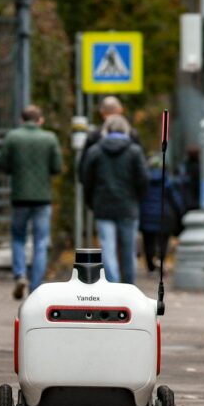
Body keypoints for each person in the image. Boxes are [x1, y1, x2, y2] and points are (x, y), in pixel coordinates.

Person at [0, 104, 63, 299]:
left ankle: (20, 274)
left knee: (18, 237)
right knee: (41, 242)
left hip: (20, 197)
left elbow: (4, 165)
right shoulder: (49, 138)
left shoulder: (12, 137)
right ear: (40, 120)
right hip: (42, 197)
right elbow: (57, 167)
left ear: (21, 119)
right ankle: (36, 287)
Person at [80, 115, 148, 284]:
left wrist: (91, 202)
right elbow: (144, 179)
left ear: (106, 130)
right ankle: (129, 288)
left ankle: (113, 285)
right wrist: (137, 199)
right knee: (128, 250)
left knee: (107, 248)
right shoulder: (134, 151)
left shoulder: (95, 151)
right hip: (128, 206)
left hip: (103, 206)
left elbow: (86, 179)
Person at [139, 154, 184, 273]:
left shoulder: (144, 180)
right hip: (164, 216)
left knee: (148, 242)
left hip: (146, 216)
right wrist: (181, 213)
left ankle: (150, 266)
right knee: (163, 241)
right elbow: (176, 200)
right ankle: (160, 260)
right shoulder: (168, 180)